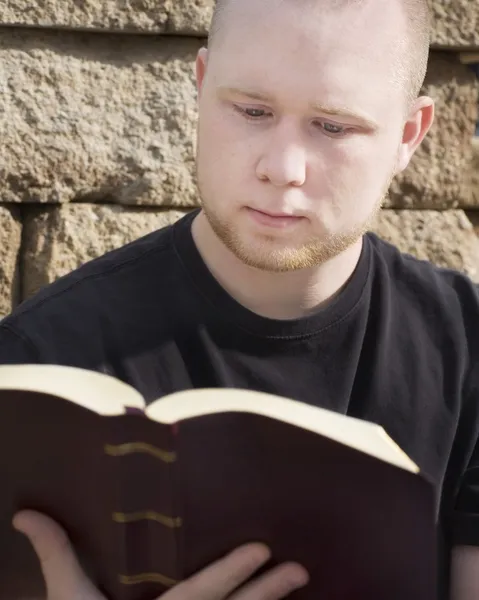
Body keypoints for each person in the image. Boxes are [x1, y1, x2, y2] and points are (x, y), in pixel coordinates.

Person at [0, 0, 478, 598]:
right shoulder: (37, 368)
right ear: (201, 87)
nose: (282, 168)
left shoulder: (470, 352)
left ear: (409, 135)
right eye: (252, 110)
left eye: (332, 126)